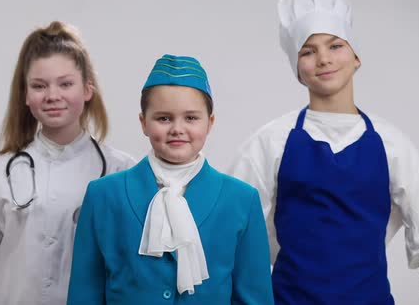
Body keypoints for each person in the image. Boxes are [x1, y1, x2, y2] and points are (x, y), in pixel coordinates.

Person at [228, 0, 419, 304]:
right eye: (308, 51)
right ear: (297, 69)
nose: (323, 59)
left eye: (335, 45)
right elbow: (230, 230)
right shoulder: (271, 141)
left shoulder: (391, 143)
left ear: (356, 57)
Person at [66, 55, 274, 304]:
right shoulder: (104, 195)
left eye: (191, 118)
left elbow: (254, 298)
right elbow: (84, 294)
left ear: (210, 122)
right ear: (143, 123)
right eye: (164, 118)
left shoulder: (241, 200)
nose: (177, 128)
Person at [0, 21, 135, 305]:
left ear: (88, 89)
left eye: (66, 84)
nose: (52, 96)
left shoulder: (121, 172)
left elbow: (131, 271)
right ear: (25, 94)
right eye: (39, 86)